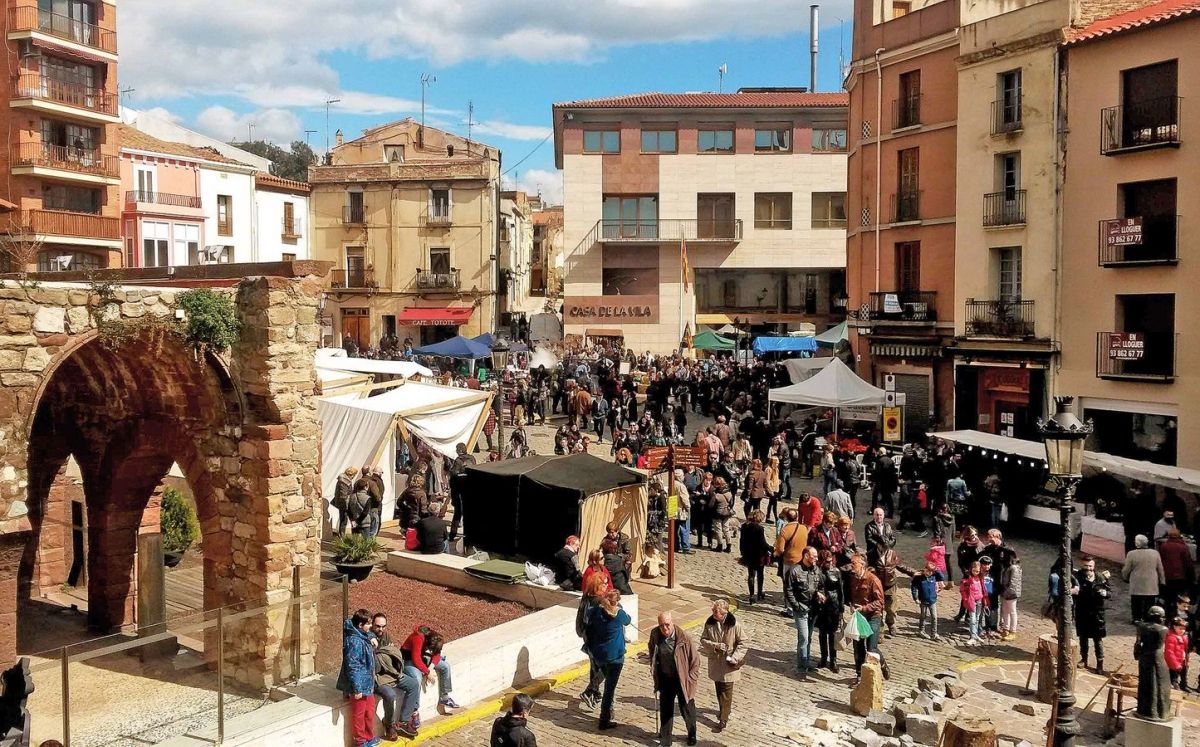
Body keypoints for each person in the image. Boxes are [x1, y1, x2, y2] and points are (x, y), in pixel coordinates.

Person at [647, 611, 700, 746]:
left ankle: (692, 734)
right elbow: (652, 651)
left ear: (672, 622)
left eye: (667, 625)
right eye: (661, 625)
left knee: (687, 708)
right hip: (665, 678)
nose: (665, 628)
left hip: (682, 678)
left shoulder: (684, 638)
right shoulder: (655, 634)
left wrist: (691, 679)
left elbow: (695, 660)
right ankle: (665, 740)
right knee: (666, 709)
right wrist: (654, 669)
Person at [699, 600, 746, 733]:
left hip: (729, 663)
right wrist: (715, 646)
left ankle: (723, 718)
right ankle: (724, 709)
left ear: (724, 613)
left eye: (716, 612)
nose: (713, 614)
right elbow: (703, 639)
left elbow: (743, 643)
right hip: (716, 662)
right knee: (719, 688)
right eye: (713, 611)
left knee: (727, 690)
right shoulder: (709, 624)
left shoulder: (734, 625)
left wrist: (735, 657)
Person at [586, 589, 631, 730]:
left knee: (603, 673)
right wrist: (617, 608)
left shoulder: (595, 612)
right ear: (616, 601)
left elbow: (589, 617)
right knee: (609, 689)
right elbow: (628, 620)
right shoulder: (619, 614)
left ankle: (591, 688)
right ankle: (604, 719)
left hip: (599, 654)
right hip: (615, 657)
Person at [371, 613, 420, 740]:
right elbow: (374, 665)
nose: (380, 629)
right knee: (390, 694)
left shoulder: (386, 635)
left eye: (383, 626)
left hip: (391, 673)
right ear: (372, 624)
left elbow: (392, 654)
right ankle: (389, 724)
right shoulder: (368, 637)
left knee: (413, 684)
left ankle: (403, 722)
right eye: (377, 626)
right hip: (377, 677)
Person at [337, 609, 380, 747]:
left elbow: (367, 633)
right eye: (368, 624)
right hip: (360, 686)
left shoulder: (362, 634)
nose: (370, 627)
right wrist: (357, 688)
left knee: (369, 712)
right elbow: (353, 666)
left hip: (368, 683)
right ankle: (360, 741)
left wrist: (372, 636)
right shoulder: (354, 642)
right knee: (359, 714)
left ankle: (368, 737)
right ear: (360, 625)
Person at [400, 625, 460, 715]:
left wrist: (430, 667)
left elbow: (437, 655)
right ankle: (414, 710)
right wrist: (427, 672)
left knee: (445, 666)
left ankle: (444, 697)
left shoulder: (435, 638)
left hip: (423, 657)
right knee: (417, 678)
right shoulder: (418, 638)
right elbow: (416, 658)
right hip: (408, 659)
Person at [848, 553, 887, 682]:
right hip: (859, 616)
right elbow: (852, 596)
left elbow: (880, 602)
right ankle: (860, 675)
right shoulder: (853, 578)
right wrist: (852, 606)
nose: (851, 566)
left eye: (854, 563)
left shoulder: (873, 580)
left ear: (862, 564)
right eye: (851, 563)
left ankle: (881, 665)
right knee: (858, 646)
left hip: (873, 616)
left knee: (871, 647)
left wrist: (864, 608)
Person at [786, 547, 823, 681]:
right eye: (814, 556)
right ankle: (801, 667)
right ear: (806, 556)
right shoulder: (795, 571)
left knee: (809, 637)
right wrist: (796, 606)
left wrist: (820, 594)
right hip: (801, 609)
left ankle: (806, 662)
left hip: (813, 609)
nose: (816, 559)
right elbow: (788, 591)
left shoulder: (816, 570)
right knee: (804, 637)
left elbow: (821, 586)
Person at [1072, 555, 1112, 673]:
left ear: (1094, 567)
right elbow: (1072, 589)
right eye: (1086, 566)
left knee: (1097, 639)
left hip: (1097, 613)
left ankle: (1100, 663)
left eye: (1090, 566)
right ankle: (1084, 659)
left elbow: (1109, 592)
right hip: (1082, 611)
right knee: (1083, 637)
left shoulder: (1100, 577)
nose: (1088, 568)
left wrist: (1104, 593)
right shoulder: (1077, 576)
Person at [575, 574, 609, 712]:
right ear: (597, 586)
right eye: (604, 584)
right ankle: (590, 691)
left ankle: (594, 693)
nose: (607, 586)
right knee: (606, 666)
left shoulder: (585, 598)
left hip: (588, 637)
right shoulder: (599, 602)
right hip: (596, 639)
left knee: (594, 667)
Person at [1122, 534, 1166, 623]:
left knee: (1136, 602)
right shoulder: (1155, 553)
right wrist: (1162, 581)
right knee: (1149, 602)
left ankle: (1136, 618)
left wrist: (1125, 577)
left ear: (1137, 543)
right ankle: (1148, 617)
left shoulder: (1131, 554)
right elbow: (1160, 569)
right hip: (1151, 582)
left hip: (1137, 582)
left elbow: (1126, 569)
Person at [773, 508, 808, 616]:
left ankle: (790, 609)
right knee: (799, 584)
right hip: (801, 560)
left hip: (789, 560)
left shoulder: (785, 530)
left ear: (787, 518)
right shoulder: (803, 528)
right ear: (797, 517)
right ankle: (799, 605)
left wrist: (775, 554)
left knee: (788, 585)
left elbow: (780, 549)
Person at [814, 549, 844, 672]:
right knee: (822, 633)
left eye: (831, 561)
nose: (829, 564)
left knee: (832, 634)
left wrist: (841, 608)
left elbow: (840, 591)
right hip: (821, 607)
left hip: (833, 605)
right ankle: (823, 657)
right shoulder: (817, 572)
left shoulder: (836, 571)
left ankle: (833, 660)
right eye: (827, 561)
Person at [1159, 529, 1194, 622]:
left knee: (1168, 598)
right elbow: (1188, 562)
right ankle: (1178, 616)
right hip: (1180, 577)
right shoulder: (1183, 547)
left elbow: (1161, 560)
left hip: (1167, 576)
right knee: (1179, 598)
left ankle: (1168, 616)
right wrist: (1191, 576)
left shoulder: (1164, 546)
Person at [739, 510, 772, 604]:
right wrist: (771, 548)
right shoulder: (759, 528)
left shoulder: (744, 526)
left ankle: (751, 595)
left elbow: (741, 540)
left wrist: (742, 552)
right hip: (758, 554)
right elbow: (762, 543)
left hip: (748, 553)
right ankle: (760, 592)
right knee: (760, 574)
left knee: (751, 575)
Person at [447, 443, 475, 542]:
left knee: (457, 514)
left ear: (459, 450)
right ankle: (469, 534)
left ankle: (452, 535)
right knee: (469, 514)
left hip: (459, 491)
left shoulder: (458, 461)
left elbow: (453, 476)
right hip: (470, 490)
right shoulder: (472, 458)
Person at [911, 561, 945, 640]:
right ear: (924, 569)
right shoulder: (919, 578)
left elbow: (942, 577)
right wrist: (915, 597)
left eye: (930, 572)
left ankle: (934, 633)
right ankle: (921, 631)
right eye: (927, 571)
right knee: (923, 616)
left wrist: (936, 570)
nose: (928, 573)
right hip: (923, 600)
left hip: (932, 600)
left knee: (934, 617)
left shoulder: (934, 576)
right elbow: (914, 587)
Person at [960, 561, 987, 646]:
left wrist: (984, 600)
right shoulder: (967, 579)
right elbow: (962, 590)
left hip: (979, 600)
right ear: (971, 569)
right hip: (971, 601)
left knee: (978, 619)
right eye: (974, 571)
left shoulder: (981, 578)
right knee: (973, 619)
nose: (976, 573)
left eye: (978, 571)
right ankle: (972, 636)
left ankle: (975, 635)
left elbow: (983, 589)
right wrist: (965, 598)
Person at [1000, 552, 1023, 641]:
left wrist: (1007, 592)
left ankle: (1013, 631)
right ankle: (1006, 629)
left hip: (1011, 593)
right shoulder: (1008, 566)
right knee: (1005, 610)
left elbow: (1013, 583)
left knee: (1012, 611)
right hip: (1006, 591)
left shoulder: (1014, 568)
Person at [710, 477, 736, 553]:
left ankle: (720, 545)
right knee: (726, 529)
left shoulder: (716, 495)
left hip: (717, 513)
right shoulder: (729, 493)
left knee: (718, 530)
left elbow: (711, 505)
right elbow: (731, 503)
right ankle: (729, 546)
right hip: (727, 513)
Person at [1166, 616, 1190, 692]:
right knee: (1173, 677)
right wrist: (1175, 664)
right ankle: (1174, 688)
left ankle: (1183, 685)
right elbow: (1169, 652)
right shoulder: (1171, 638)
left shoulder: (1183, 636)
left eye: (1184, 629)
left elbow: (1186, 649)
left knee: (1183, 674)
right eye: (1180, 628)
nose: (1182, 631)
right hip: (1174, 663)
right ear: (1174, 627)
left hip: (1182, 660)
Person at [332, 467, 356, 535]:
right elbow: (343, 495)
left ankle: (343, 535)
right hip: (345, 504)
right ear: (351, 474)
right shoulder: (344, 482)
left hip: (344, 503)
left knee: (346, 520)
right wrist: (347, 505)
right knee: (345, 521)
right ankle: (342, 536)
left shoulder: (343, 480)